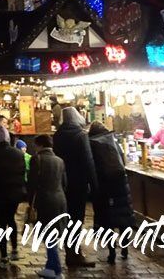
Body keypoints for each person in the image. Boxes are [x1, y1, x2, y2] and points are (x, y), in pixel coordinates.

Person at [53, 106, 97, 267]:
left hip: (63, 182)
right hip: (78, 182)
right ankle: (74, 253)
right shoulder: (80, 135)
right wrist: (94, 184)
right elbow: (88, 160)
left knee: (67, 216)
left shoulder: (58, 135)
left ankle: (70, 249)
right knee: (77, 217)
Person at [88, 121, 134, 263]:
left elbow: (92, 166)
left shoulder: (93, 145)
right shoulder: (113, 142)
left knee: (107, 220)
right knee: (123, 218)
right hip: (121, 185)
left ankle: (112, 251)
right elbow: (123, 161)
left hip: (104, 188)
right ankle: (125, 249)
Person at [27, 134, 67, 279]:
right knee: (52, 233)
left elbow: (32, 183)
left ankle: (56, 269)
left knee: (48, 234)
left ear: (40, 145)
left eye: (36, 145)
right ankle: (50, 267)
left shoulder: (36, 159)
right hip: (60, 199)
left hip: (45, 200)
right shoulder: (60, 161)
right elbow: (65, 183)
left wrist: (30, 202)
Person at [0, 125, 25, 269]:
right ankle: (15, 249)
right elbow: (22, 171)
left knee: (1, 223)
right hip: (14, 192)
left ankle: (4, 256)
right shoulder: (17, 153)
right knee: (11, 218)